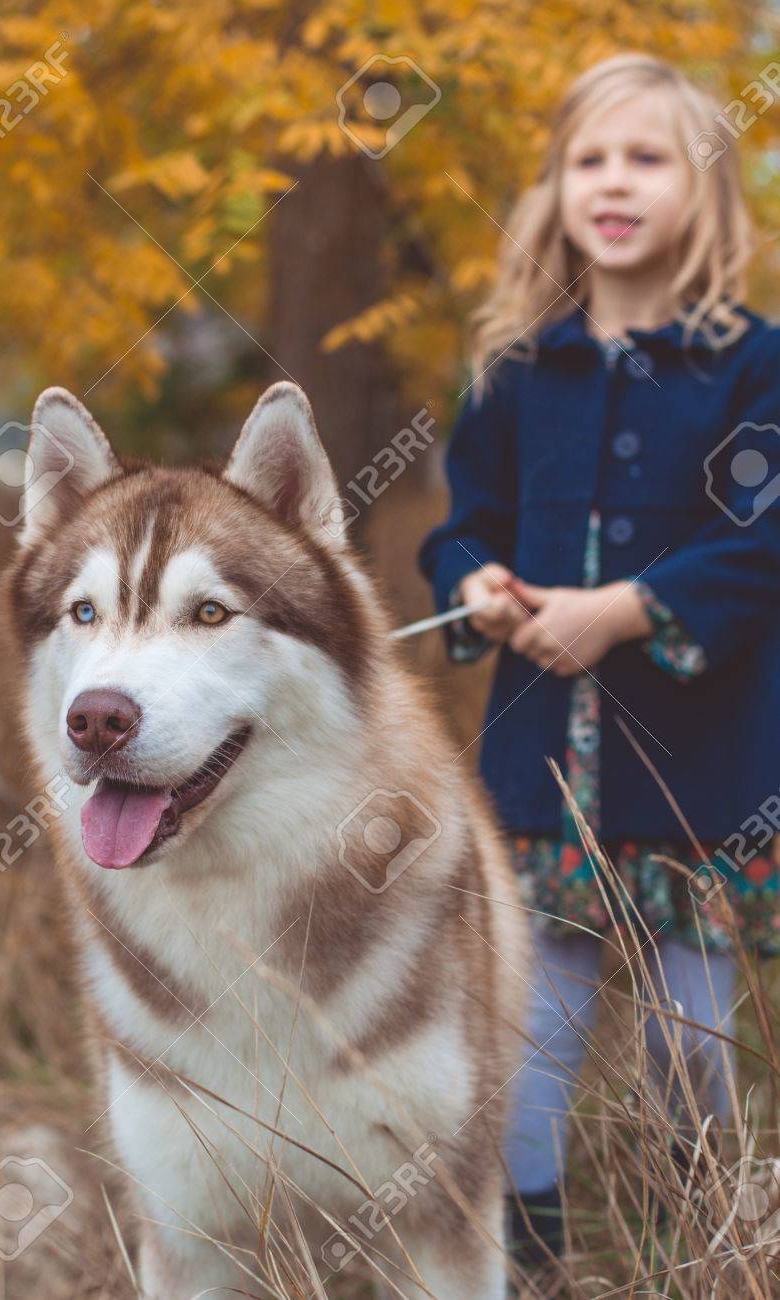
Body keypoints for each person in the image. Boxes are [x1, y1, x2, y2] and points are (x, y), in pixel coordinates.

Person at [418, 52, 780, 1265]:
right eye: (587, 160)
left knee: (688, 1035)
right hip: (541, 778)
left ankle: (698, 1256)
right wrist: (471, 581)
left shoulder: (750, 363)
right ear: (553, 190)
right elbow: (463, 520)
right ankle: (527, 1261)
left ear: (703, 189)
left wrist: (624, 606)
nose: (611, 182)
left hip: (699, 779)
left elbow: (761, 541)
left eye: (645, 158)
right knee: (534, 1030)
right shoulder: (520, 370)